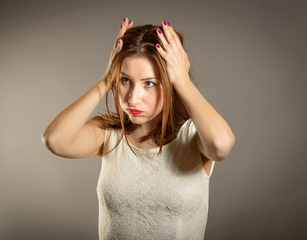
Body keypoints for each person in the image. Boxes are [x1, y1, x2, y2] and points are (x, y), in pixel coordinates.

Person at [42, 17, 235, 240]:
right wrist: (106, 80)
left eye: (149, 83)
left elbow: (221, 146)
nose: (133, 98)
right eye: (125, 80)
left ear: (171, 82)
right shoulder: (109, 133)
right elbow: (55, 140)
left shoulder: (194, 135)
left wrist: (182, 81)